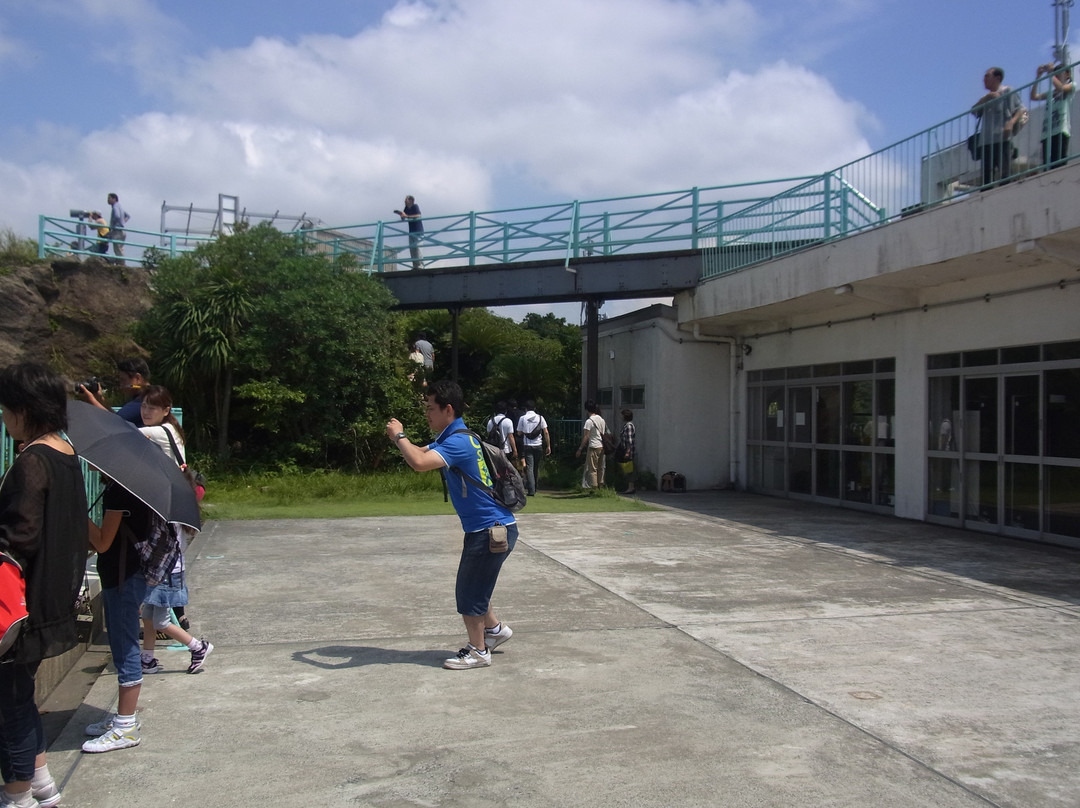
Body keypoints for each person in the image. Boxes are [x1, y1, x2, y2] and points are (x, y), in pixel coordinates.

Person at [0, 363, 87, 808]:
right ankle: (41, 784)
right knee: (20, 695)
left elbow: (21, 537)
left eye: (5, 408)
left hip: (21, 607)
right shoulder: (66, 454)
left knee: (9, 704)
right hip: (52, 600)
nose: (3, 418)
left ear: (23, 409)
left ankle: (16, 796)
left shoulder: (32, 460)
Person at [386, 380, 516, 670]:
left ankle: (478, 651)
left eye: (430, 408)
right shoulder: (456, 436)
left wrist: (399, 436)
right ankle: (494, 631)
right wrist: (402, 441)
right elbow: (419, 454)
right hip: (490, 527)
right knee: (477, 585)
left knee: (468, 591)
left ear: (447, 409)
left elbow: (418, 463)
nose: (426, 414)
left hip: (489, 529)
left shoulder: (456, 441)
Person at [972, 67, 1023, 187]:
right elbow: (974, 111)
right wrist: (986, 98)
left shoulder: (1007, 91)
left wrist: (1011, 123)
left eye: (987, 76)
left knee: (1005, 173)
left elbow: (1020, 109)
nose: (984, 79)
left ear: (997, 78)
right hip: (986, 141)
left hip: (1002, 139)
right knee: (986, 178)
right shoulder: (986, 97)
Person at [78, 358, 150, 427]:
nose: (121, 384)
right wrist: (100, 399)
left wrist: (91, 399)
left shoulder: (145, 400)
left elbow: (115, 423)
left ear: (137, 378)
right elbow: (116, 416)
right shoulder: (146, 395)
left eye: (123, 380)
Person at [1031, 63, 1074, 168]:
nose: (1057, 76)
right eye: (1056, 74)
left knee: (1059, 164)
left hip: (1061, 130)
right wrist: (1038, 77)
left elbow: (1062, 88)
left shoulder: (1072, 85)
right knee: (1047, 165)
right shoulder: (1051, 93)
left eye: (1059, 73)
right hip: (1047, 132)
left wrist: (1050, 73)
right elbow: (1034, 97)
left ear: (1068, 74)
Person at [515, 400, 549, 496]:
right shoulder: (540, 418)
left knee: (529, 467)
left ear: (525, 408)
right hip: (538, 445)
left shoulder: (522, 418)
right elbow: (546, 432)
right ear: (534, 408)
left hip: (527, 445)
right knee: (536, 466)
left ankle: (531, 490)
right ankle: (535, 487)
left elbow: (519, 432)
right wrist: (548, 445)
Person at [575, 400, 607, 489]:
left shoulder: (589, 421)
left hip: (593, 446)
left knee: (592, 469)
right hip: (602, 446)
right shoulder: (601, 419)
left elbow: (586, 436)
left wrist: (580, 448)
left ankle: (594, 488)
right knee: (601, 468)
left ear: (586, 409)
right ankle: (601, 486)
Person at [398, 195, 424, 270]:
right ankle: (415, 266)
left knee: (418, 248)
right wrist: (402, 215)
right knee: (412, 249)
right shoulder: (406, 208)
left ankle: (420, 266)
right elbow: (404, 217)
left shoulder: (415, 206)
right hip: (411, 231)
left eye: (406, 200)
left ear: (411, 201)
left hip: (418, 230)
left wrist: (407, 216)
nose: (405, 201)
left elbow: (418, 215)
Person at [616, 408, 637, 495]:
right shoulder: (626, 425)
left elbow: (629, 440)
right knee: (626, 468)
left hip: (627, 450)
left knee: (629, 468)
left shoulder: (628, 426)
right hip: (624, 449)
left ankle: (631, 487)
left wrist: (628, 451)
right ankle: (628, 486)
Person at [106, 193, 129, 265]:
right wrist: (123, 222)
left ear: (114, 199)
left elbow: (117, 216)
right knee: (120, 249)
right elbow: (128, 216)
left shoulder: (115, 206)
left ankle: (121, 265)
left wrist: (113, 225)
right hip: (122, 230)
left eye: (109, 198)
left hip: (117, 231)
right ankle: (121, 264)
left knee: (117, 249)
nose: (108, 200)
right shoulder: (120, 206)